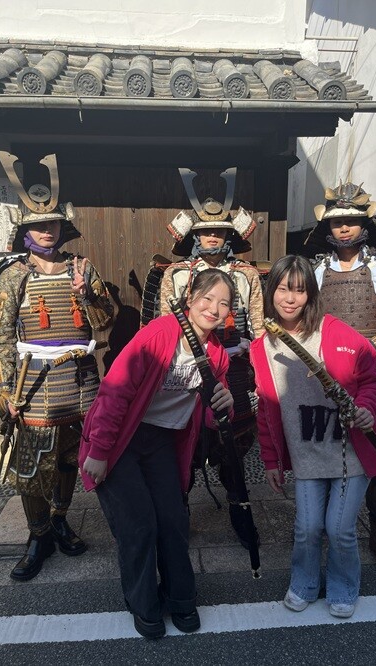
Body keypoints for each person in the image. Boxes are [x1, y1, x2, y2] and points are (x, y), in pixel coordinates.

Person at [79, 268, 234, 639]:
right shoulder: (158, 335)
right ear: (190, 299)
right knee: (139, 524)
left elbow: (209, 416)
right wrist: (99, 450)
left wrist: (224, 406)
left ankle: (181, 598)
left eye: (224, 303)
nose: (214, 309)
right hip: (122, 438)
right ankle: (144, 603)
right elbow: (115, 391)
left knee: (173, 520)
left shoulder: (216, 354)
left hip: (164, 441)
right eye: (207, 298)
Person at [0, 151, 113, 582]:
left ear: (63, 226)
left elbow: (106, 320)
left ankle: (60, 519)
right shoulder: (12, 275)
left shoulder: (82, 268)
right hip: (33, 382)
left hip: (80, 380)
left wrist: (87, 295)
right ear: (25, 229)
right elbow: (2, 337)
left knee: (69, 459)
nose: (47, 230)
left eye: (53, 223)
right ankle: (37, 534)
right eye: (39, 224)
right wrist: (4, 390)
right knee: (31, 464)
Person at [250, 255, 376, 618]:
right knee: (308, 527)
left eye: (299, 290)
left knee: (339, 528)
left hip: (350, 451)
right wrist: (270, 460)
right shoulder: (262, 347)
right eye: (283, 289)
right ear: (271, 291)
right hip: (306, 454)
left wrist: (366, 407)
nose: (290, 298)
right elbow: (266, 409)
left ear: (311, 294)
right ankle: (305, 583)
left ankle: (344, 587)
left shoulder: (336, 332)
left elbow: (374, 378)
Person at [307, 181, 376, 574]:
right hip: (329, 372)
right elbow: (307, 318)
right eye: (337, 222)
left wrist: (364, 349)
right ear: (328, 227)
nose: (344, 228)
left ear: (365, 224)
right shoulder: (316, 270)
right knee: (326, 450)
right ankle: (327, 528)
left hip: (374, 371)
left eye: (351, 221)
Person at [153, 167, 264, 546]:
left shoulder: (246, 275)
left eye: (218, 230)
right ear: (194, 236)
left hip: (235, 370)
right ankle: (178, 512)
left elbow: (258, 329)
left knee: (234, 448)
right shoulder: (176, 274)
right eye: (204, 231)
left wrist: (261, 377)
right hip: (187, 372)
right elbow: (162, 329)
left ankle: (239, 510)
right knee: (182, 446)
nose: (211, 236)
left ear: (230, 235)